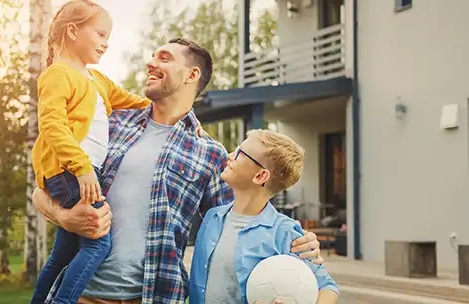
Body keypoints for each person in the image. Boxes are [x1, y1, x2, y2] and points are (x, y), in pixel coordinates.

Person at [32, 37, 325, 304]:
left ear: (191, 74)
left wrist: (294, 241)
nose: (151, 63)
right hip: (81, 295)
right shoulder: (110, 124)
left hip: (152, 297)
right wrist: (63, 216)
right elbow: (43, 184)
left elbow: (240, 225)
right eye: (152, 56)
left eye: (164, 58)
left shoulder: (209, 154)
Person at [30, 1, 151, 303]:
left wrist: (185, 114)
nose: (106, 43)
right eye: (100, 34)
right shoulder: (57, 74)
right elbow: (52, 126)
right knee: (97, 244)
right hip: (70, 171)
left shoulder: (97, 80)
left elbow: (136, 102)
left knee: (63, 254)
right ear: (73, 31)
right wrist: (82, 167)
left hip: (82, 171)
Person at [189, 130, 339, 304]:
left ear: (260, 176)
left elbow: (328, 287)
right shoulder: (211, 218)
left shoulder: (285, 233)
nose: (229, 156)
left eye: (239, 153)